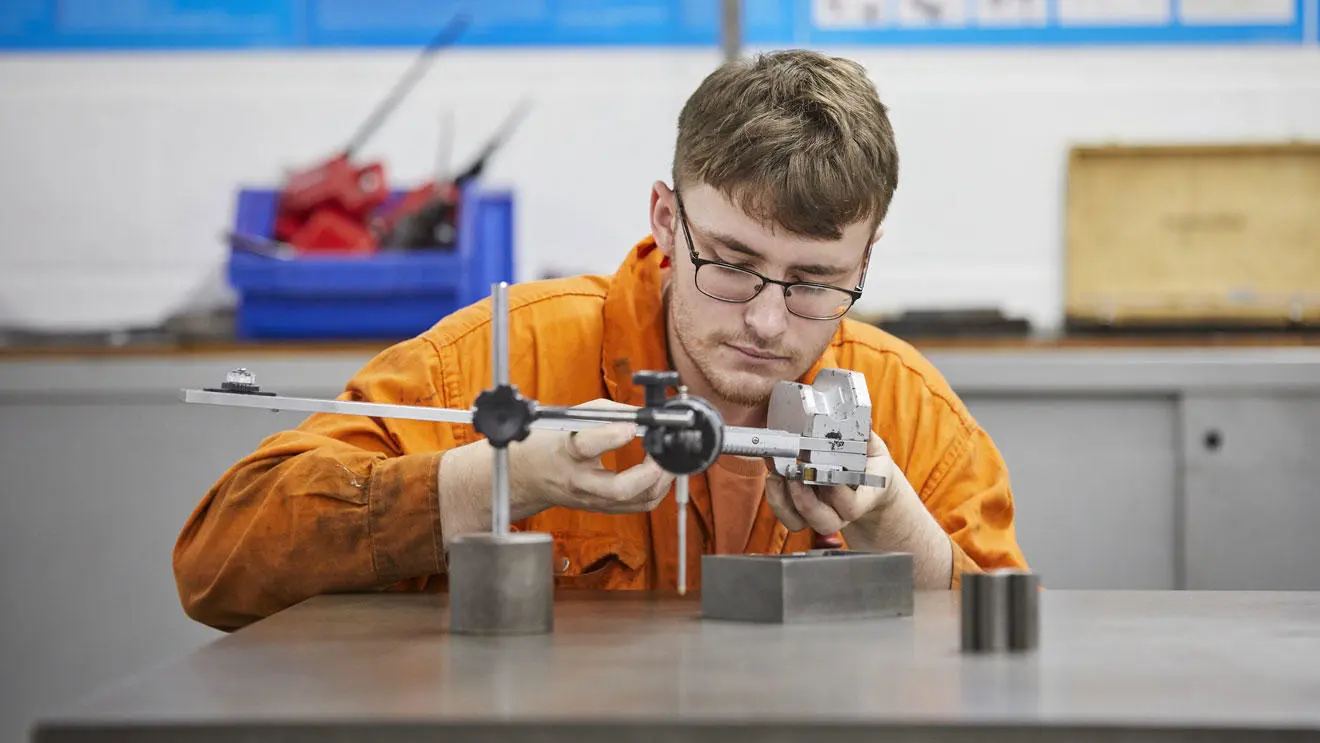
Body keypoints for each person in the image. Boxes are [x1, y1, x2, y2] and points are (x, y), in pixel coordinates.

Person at [175, 49, 1028, 632]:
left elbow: (1009, 670)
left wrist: (896, 528)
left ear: (866, 255)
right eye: (731, 264)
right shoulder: (497, 358)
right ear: (666, 219)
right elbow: (217, 566)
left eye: (814, 281)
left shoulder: (908, 411)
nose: (769, 322)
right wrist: (491, 479)